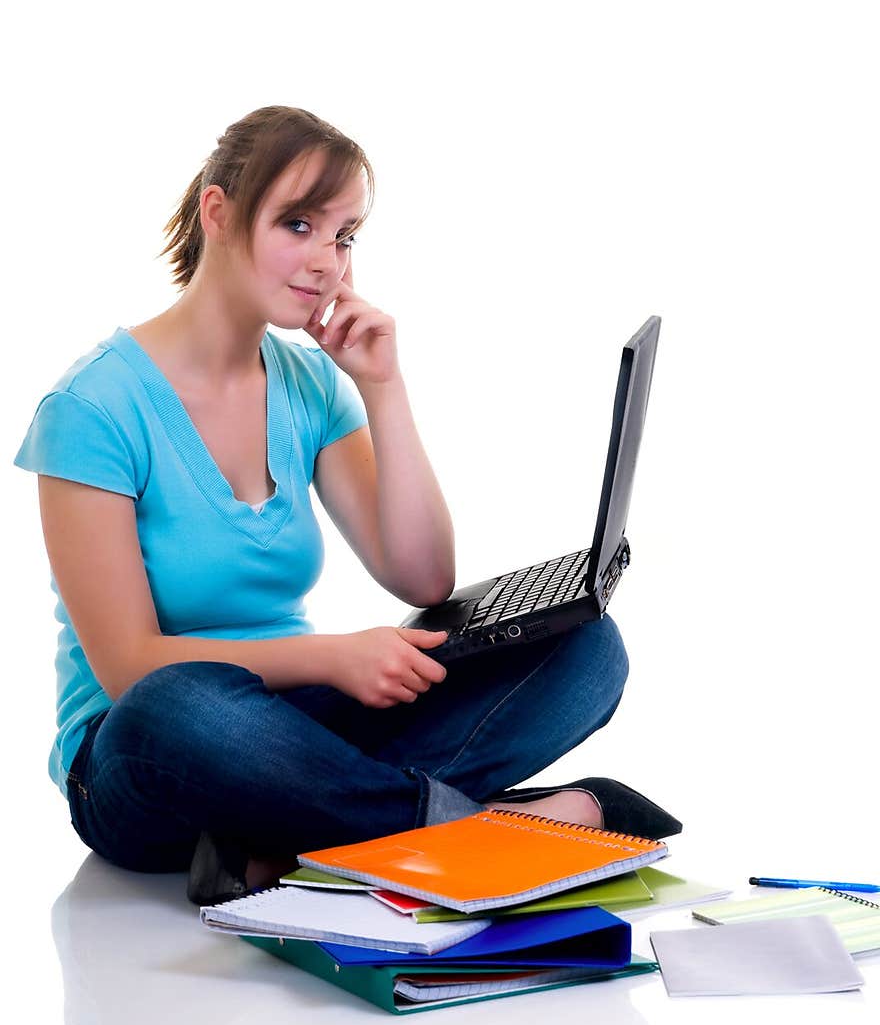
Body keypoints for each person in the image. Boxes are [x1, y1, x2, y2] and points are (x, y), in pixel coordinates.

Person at [14, 104, 681, 906]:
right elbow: (128, 667)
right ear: (218, 213)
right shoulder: (93, 408)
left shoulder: (307, 383)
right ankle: (475, 830)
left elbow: (424, 575)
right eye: (298, 223)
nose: (328, 260)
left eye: (346, 234)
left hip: (298, 734)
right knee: (179, 705)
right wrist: (332, 656)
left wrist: (382, 384)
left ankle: (287, 840)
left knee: (586, 647)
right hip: (149, 755)